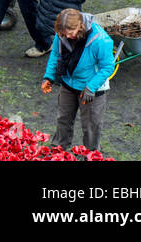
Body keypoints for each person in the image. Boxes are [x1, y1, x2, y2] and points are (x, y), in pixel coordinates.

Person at [41, 8, 114, 154]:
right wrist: (49, 76)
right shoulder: (61, 33)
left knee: (91, 124)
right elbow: (55, 54)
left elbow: (108, 67)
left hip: (92, 89)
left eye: (71, 32)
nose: (67, 36)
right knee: (63, 118)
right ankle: (58, 149)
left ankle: (92, 153)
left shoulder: (100, 40)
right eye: (64, 33)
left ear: (80, 26)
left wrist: (91, 87)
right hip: (68, 83)